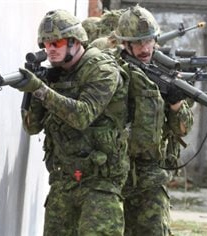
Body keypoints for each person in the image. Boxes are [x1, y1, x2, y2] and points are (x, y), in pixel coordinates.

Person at [10, 9, 129, 235]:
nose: (51, 49)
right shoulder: (57, 74)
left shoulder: (101, 68)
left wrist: (40, 89)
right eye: (46, 44)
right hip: (63, 180)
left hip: (99, 183)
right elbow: (32, 126)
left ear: (74, 42)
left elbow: (83, 116)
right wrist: (34, 91)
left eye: (57, 42)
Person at [113, 5, 194, 236]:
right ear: (125, 44)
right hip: (113, 175)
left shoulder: (164, 72)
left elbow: (184, 128)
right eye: (138, 42)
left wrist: (176, 102)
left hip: (150, 178)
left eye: (149, 40)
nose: (145, 47)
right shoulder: (111, 71)